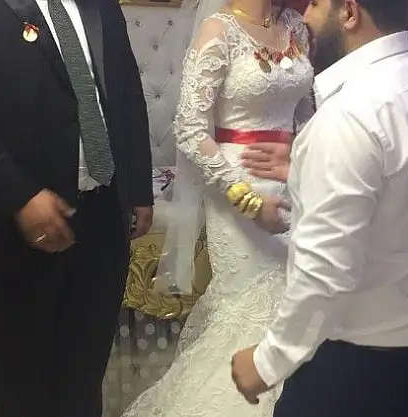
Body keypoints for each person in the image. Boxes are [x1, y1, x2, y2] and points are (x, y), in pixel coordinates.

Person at [230, 1, 408, 417]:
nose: (305, 17)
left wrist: (266, 363)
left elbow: (325, 269)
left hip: (356, 365)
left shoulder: (349, 115)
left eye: (316, 3)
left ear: (349, 12)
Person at [0, 0, 154, 415]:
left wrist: (139, 188)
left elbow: (126, 92)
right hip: (10, 227)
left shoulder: (100, 5)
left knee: (82, 381)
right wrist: (20, 195)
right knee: (19, 389)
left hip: (101, 219)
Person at [122, 0, 314, 415]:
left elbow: (305, 114)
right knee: (248, 311)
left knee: (297, 303)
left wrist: (303, 160)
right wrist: (248, 199)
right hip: (237, 188)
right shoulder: (218, 30)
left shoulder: (296, 27)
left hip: (296, 182)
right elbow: (190, 129)